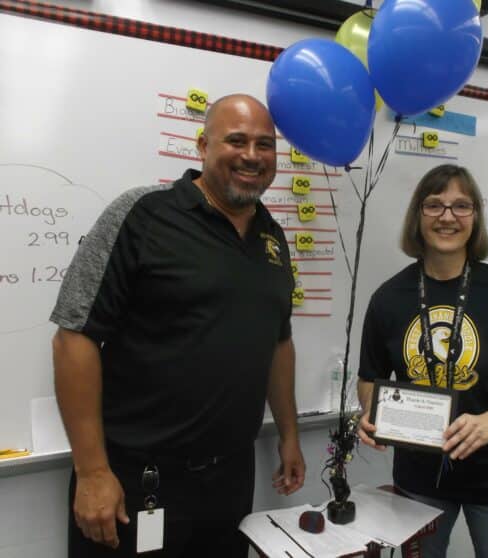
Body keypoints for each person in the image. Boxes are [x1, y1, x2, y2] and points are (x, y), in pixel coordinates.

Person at [51, 94, 305, 557]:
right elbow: (74, 336)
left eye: (265, 145)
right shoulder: (143, 214)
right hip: (135, 480)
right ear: (202, 145)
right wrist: (91, 472)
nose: (252, 155)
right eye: (236, 140)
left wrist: (289, 434)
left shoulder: (273, 236)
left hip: (229, 482)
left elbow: (278, 343)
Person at [357, 164, 488, 558]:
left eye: (461, 206)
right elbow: (369, 378)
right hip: (418, 476)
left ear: (475, 218)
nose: (447, 217)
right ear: (418, 216)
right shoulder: (387, 299)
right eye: (434, 205)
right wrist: (371, 413)